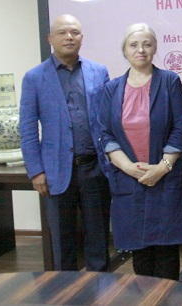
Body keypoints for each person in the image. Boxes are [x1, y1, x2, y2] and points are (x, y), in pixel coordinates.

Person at [19, 14, 111, 271]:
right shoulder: (34, 77)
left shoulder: (99, 72)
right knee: (62, 242)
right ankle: (65, 290)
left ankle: (101, 287)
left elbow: (108, 120)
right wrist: (35, 170)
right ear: (50, 39)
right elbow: (27, 128)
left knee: (98, 239)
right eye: (62, 32)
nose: (69, 37)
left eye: (74, 32)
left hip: (94, 169)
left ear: (82, 38)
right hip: (55, 171)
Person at [98, 23, 182, 280]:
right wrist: (128, 167)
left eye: (147, 44)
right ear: (125, 51)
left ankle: (167, 297)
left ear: (155, 48)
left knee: (166, 254)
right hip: (129, 181)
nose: (141, 50)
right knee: (141, 256)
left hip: (164, 180)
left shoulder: (169, 81)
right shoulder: (112, 88)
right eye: (134, 45)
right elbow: (105, 133)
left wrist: (162, 167)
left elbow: (181, 126)